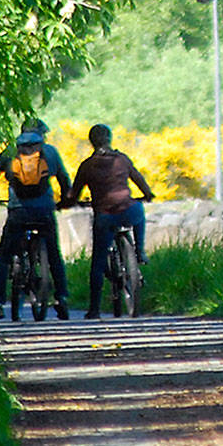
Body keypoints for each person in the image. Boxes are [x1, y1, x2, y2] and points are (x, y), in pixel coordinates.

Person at [0, 123, 71, 323]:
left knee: (3, 258)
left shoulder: (10, 152)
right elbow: (64, 179)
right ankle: (61, 298)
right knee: (54, 255)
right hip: (45, 210)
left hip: (18, 212)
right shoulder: (50, 152)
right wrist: (64, 200)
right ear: (41, 134)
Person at [60, 124, 155, 320]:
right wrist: (147, 194)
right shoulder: (122, 159)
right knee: (139, 211)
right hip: (128, 210)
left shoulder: (87, 166)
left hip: (104, 216)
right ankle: (140, 251)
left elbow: (73, 193)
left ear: (91, 141)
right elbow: (139, 180)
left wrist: (67, 202)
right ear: (109, 138)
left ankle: (94, 309)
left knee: (98, 261)